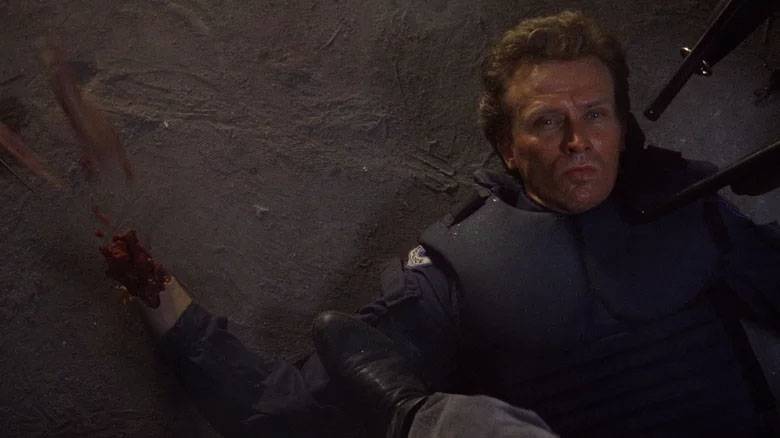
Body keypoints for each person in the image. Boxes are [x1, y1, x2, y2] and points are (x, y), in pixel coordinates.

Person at [123, 10, 780, 438]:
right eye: (547, 120)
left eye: (596, 114)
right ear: (507, 148)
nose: (578, 140)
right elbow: (287, 415)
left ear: (622, 125)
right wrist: (171, 312)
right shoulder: (458, 270)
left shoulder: (689, 202)